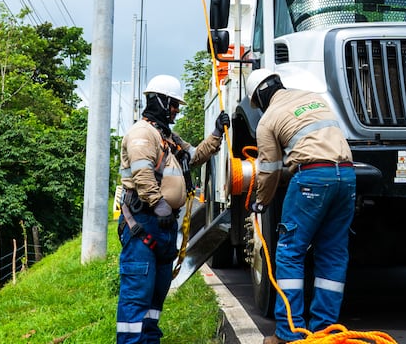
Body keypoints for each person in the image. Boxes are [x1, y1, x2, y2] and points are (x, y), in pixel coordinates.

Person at [116, 73, 230, 344]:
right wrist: (159, 205)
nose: (176, 110)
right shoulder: (143, 134)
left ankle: (149, 340)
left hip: (163, 227)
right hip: (144, 224)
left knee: (155, 298)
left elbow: (195, 157)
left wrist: (216, 135)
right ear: (158, 101)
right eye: (173, 104)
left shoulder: (168, 138)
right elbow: (142, 174)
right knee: (137, 295)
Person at [247, 67, 355, 344]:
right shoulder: (313, 98)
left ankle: (289, 334)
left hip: (311, 178)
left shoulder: (268, 119)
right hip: (346, 175)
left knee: (290, 253)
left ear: (260, 95)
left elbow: (269, 169)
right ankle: (325, 332)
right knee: (332, 254)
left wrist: (261, 203)